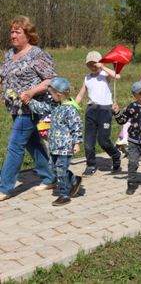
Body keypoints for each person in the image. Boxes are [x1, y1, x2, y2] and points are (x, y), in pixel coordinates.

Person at [0, 16, 56, 201]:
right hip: (14, 107)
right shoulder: (10, 53)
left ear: (28, 34)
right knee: (32, 143)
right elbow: (4, 75)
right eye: (11, 31)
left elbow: (50, 80)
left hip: (30, 108)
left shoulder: (37, 54)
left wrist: (31, 92)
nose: (13, 35)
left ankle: (4, 187)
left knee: (15, 145)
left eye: (17, 32)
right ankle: (49, 177)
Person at [28, 77, 83, 206]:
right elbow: (41, 108)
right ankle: (74, 180)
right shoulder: (55, 106)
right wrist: (29, 101)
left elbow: (76, 126)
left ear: (58, 94)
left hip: (65, 146)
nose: (50, 96)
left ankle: (64, 195)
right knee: (53, 168)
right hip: (54, 146)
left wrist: (76, 143)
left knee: (61, 171)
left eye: (51, 94)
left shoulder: (70, 109)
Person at [75, 51, 121, 176]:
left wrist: (103, 67)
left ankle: (115, 155)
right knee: (88, 142)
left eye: (95, 63)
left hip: (105, 110)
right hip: (91, 110)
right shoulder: (87, 78)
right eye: (90, 64)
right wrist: (72, 106)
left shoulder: (105, 74)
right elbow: (80, 95)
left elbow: (117, 76)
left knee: (103, 141)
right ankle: (90, 164)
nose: (93, 66)